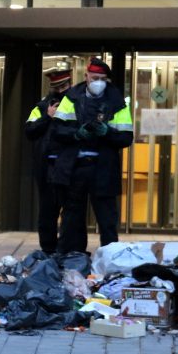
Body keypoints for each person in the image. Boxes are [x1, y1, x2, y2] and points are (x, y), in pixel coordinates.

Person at [50, 57, 134, 253]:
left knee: (107, 220)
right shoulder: (71, 98)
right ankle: (72, 257)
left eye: (103, 79)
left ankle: (110, 258)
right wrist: (77, 133)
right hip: (75, 168)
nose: (98, 82)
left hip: (102, 168)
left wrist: (107, 132)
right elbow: (57, 132)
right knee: (72, 218)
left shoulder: (117, 102)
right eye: (95, 77)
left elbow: (125, 138)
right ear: (86, 76)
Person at [24, 68, 73, 254]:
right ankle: (48, 250)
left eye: (64, 86)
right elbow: (29, 130)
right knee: (47, 212)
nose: (61, 91)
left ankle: (66, 250)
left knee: (70, 212)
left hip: (68, 166)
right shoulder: (41, 107)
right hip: (46, 167)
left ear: (70, 84)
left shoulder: (76, 104)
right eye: (57, 87)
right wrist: (48, 117)